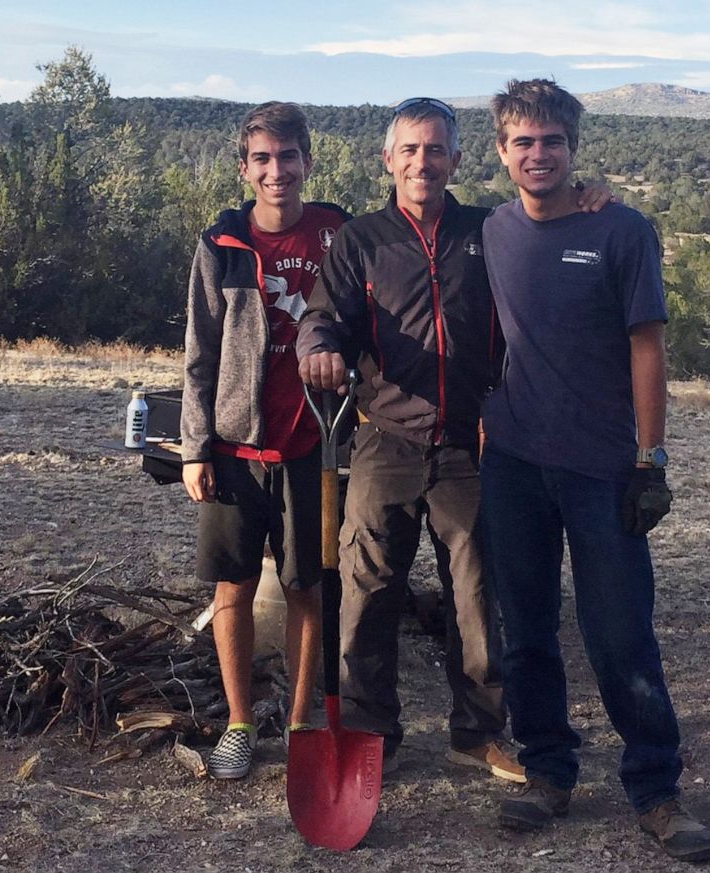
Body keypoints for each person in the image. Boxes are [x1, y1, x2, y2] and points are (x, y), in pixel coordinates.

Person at [296, 97, 609, 781]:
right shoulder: (362, 241)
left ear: (458, 160)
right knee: (368, 591)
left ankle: (476, 731)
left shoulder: (489, 230)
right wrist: (316, 346)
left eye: (436, 150)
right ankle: (372, 731)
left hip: (472, 444)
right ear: (388, 159)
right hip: (385, 440)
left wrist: (589, 195)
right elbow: (323, 318)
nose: (422, 162)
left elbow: (546, 226)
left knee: (477, 593)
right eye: (409, 150)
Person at [479, 79, 710, 862]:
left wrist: (651, 457)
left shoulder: (623, 230)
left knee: (619, 633)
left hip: (602, 465)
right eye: (524, 140)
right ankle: (548, 773)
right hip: (512, 461)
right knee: (528, 631)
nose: (538, 153)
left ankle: (656, 789)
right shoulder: (493, 233)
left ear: (573, 149)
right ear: (502, 150)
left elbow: (647, 347)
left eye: (552, 140)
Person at [179, 101, 349, 779]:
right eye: (262, 158)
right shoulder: (221, 246)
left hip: (316, 446)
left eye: (288, 156)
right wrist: (195, 447)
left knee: (309, 586)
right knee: (234, 587)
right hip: (235, 450)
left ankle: (303, 719)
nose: (276, 170)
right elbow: (199, 354)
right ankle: (241, 721)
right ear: (244, 167)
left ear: (308, 160)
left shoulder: (340, 234)